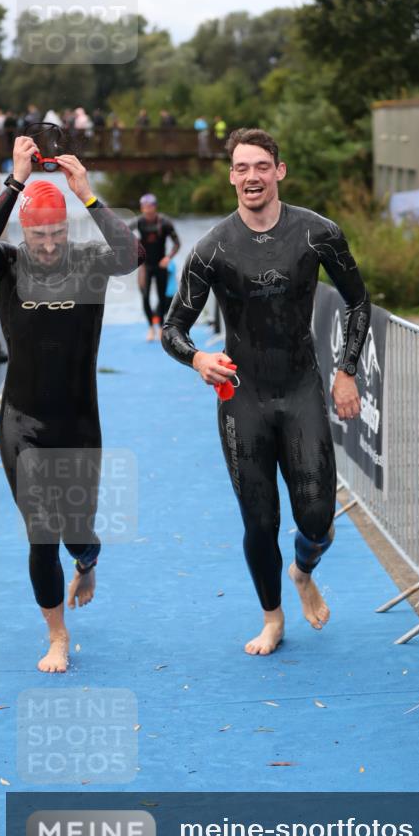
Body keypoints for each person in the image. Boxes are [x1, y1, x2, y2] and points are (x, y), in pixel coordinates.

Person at [162, 127, 370, 656]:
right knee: (260, 521)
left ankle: (303, 571)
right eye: (240, 168)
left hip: (300, 388)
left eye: (260, 166)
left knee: (318, 520)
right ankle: (273, 619)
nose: (251, 176)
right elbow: (172, 328)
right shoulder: (212, 249)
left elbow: (358, 302)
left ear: (279, 171)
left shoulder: (317, 233)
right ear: (231, 176)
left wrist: (347, 371)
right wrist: (198, 358)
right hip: (243, 399)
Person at [0, 135, 143, 673]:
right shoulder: (6, 266)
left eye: (55, 233)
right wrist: (17, 179)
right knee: (41, 533)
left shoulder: (88, 264)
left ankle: (89, 557)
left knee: (76, 531)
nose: (48, 244)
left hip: (78, 423)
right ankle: (57, 636)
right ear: (23, 232)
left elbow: (133, 255)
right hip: (22, 424)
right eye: (38, 234)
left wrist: (88, 195)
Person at [129, 193, 180, 340]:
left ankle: (161, 326)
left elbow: (177, 243)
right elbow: (123, 234)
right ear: (141, 207)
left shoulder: (164, 223)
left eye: (150, 207)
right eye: (144, 207)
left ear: (155, 207)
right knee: (144, 297)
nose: (147, 210)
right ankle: (151, 327)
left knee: (162, 297)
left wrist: (168, 257)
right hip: (145, 266)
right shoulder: (139, 222)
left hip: (161, 265)